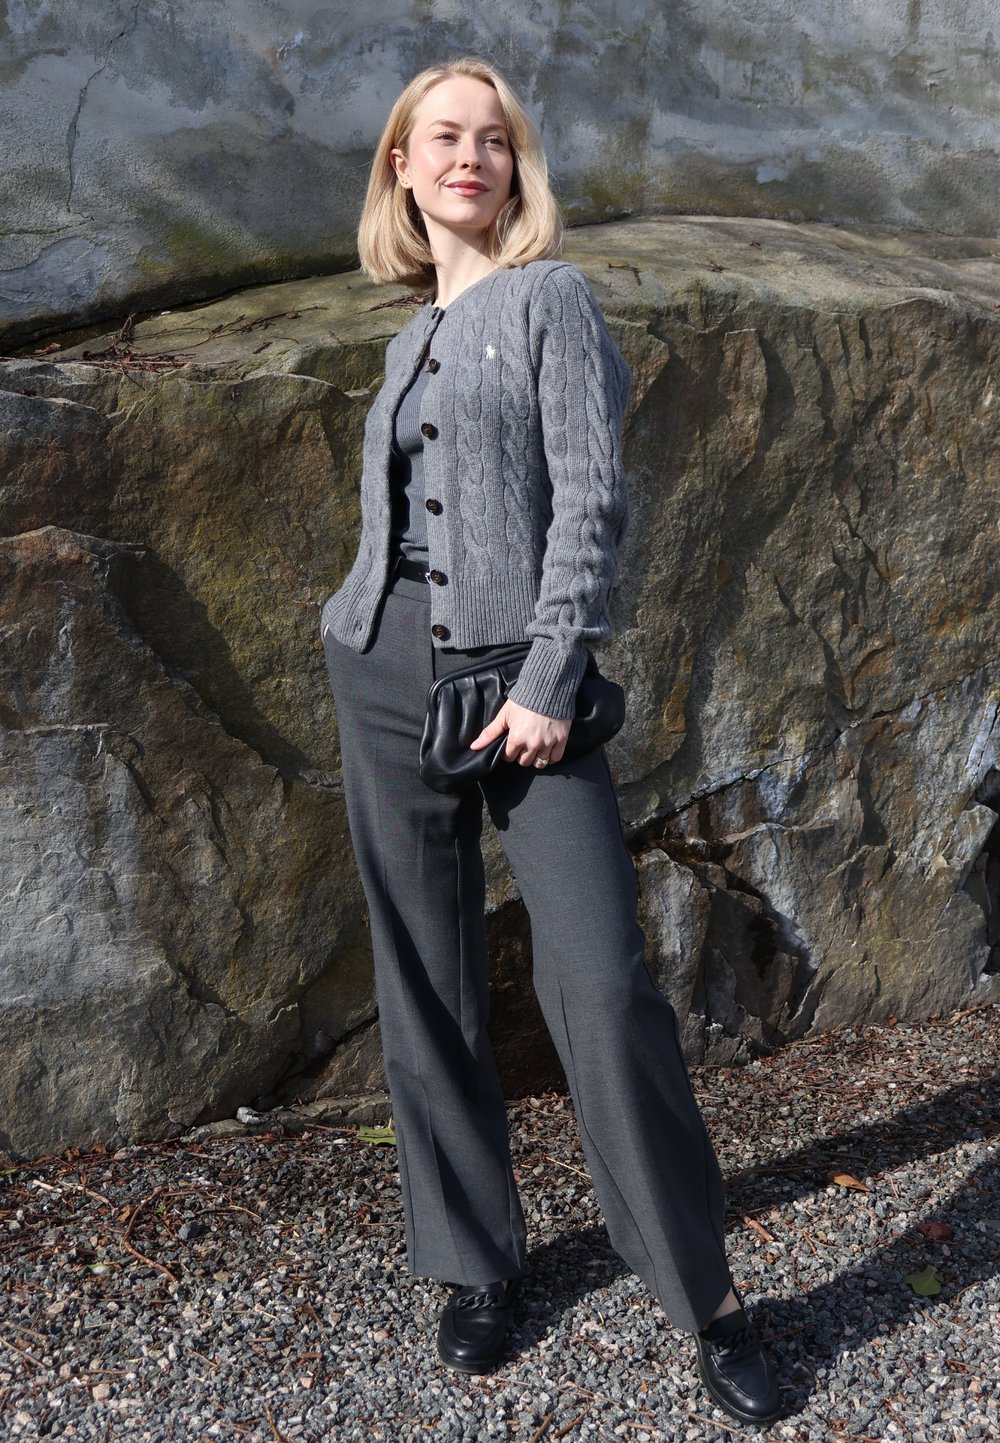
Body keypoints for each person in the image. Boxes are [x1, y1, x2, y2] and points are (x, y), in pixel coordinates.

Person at [318, 55, 783, 1429]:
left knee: (602, 983)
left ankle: (705, 1297)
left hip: (526, 686)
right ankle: (476, 1263)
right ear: (402, 166)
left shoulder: (551, 301)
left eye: (493, 138)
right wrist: (354, 633)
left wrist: (546, 677)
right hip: (384, 670)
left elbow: (591, 506)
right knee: (426, 979)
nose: (469, 156)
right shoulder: (406, 336)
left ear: (516, 167)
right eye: (442, 137)